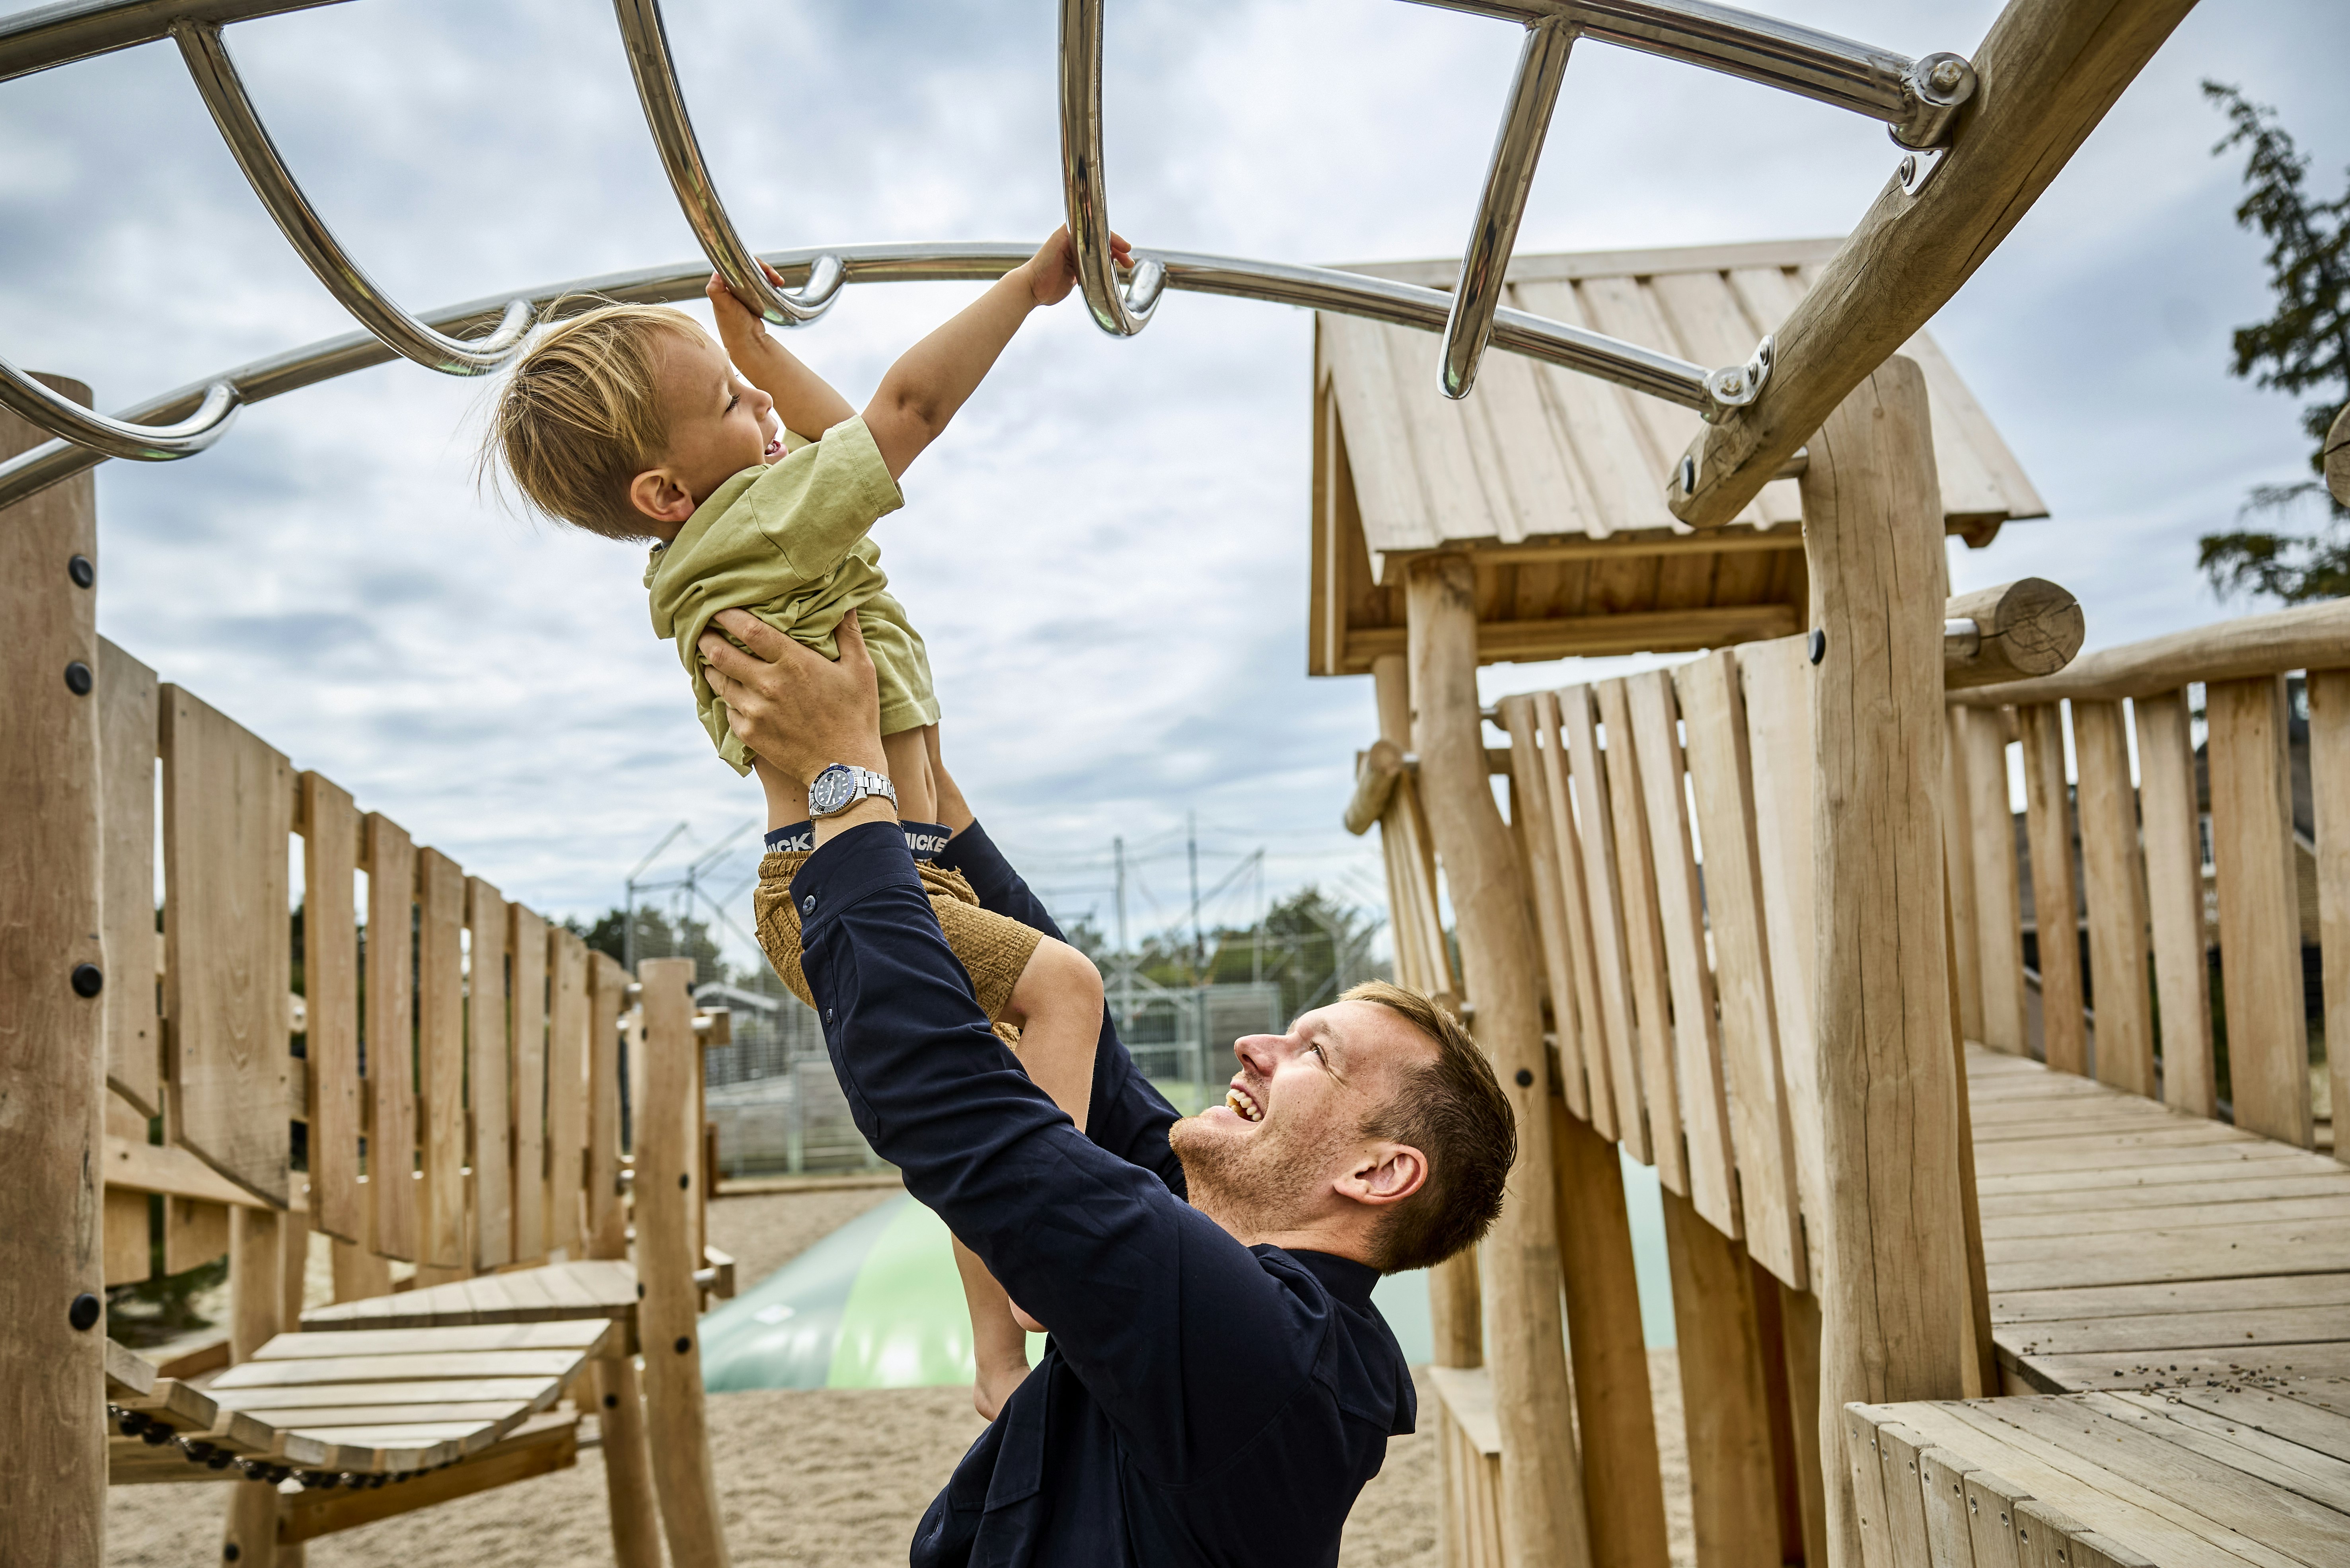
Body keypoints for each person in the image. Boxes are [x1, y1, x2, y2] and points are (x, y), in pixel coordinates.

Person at [694, 604, 1520, 1568]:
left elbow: (956, 1105)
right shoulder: (1235, 1290)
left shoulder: (1262, 1348)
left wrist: (846, 782)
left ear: (1380, 1173)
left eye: (1313, 1054)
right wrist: (915, 760)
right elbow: (1092, 1049)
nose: (1257, 1046)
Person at [481, 229, 1123, 1416]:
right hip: (850, 877)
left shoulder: (730, 538)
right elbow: (902, 411)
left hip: (884, 869)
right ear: (665, 491)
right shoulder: (771, 528)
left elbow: (832, 436)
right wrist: (1027, 291)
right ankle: (1057, 1234)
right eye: (733, 405)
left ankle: (997, 1357)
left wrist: (746, 349)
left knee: (984, 1104)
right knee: (1066, 990)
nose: (764, 412)